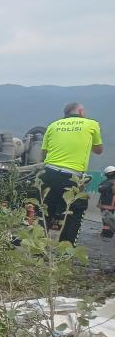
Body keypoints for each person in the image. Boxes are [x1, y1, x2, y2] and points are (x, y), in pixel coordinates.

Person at [39, 102, 104, 244]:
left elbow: (44, 153)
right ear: (80, 111)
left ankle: (37, 248)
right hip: (72, 177)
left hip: (49, 173)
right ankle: (65, 250)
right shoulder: (91, 124)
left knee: (45, 210)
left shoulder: (53, 126)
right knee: (74, 212)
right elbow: (99, 150)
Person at [99, 166, 115, 238]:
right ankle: (107, 232)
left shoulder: (107, 182)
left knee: (106, 217)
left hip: (107, 203)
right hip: (110, 203)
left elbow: (100, 189)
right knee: (108, 217)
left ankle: (107, 233)